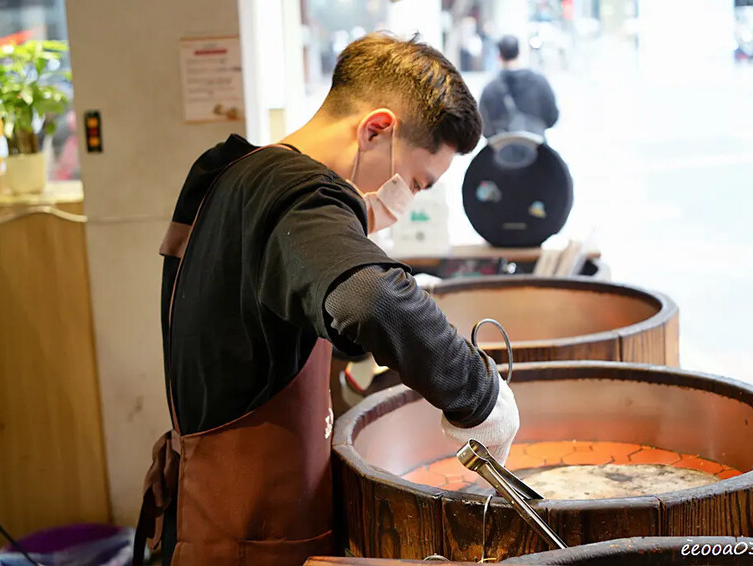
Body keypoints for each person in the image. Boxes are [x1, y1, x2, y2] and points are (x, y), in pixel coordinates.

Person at [134, 33, 520, 566]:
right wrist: (481, 395)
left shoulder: (231, 172)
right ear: (375, 129)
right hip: (250, 540)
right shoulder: (296, 191)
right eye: (414, 182)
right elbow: (371, 297)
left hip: (204, 515)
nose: (405, 201)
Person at [478, 35, 559, 140]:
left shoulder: (490, 89)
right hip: (536, 145)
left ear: (499, 56)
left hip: (502, 148)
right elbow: (552, 116)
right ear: (519, 52)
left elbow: (484, 127)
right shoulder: (540, 82)